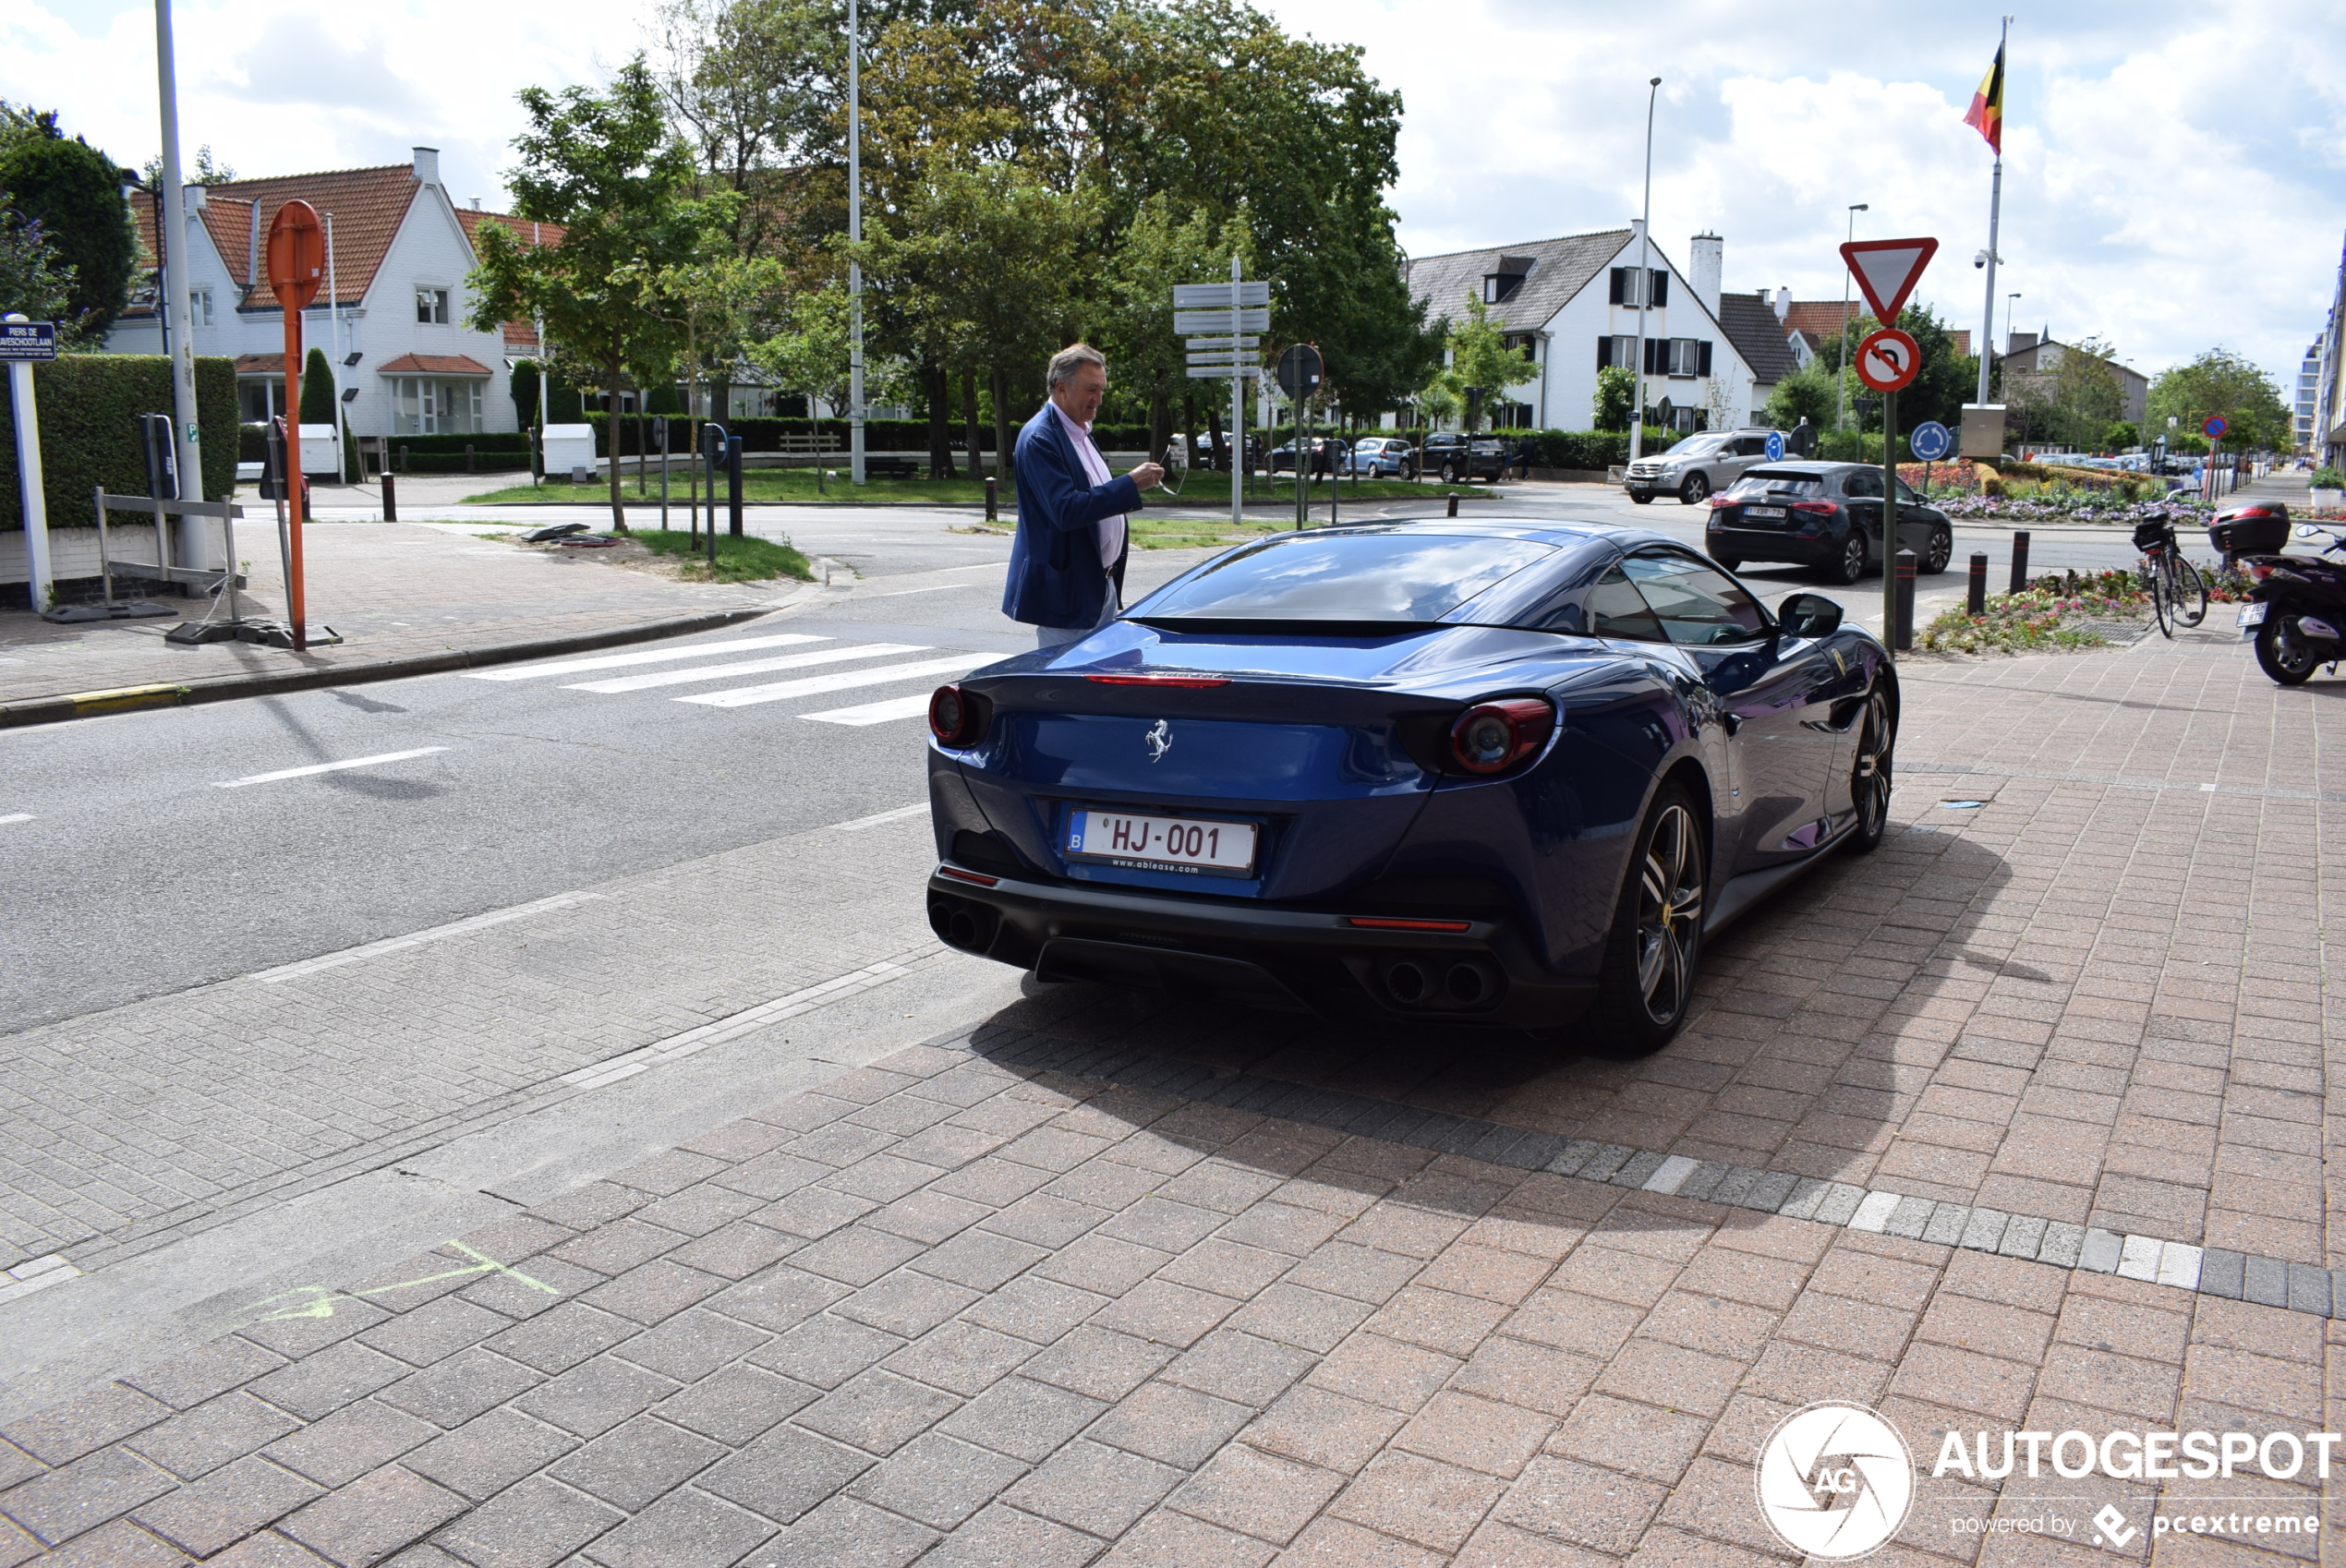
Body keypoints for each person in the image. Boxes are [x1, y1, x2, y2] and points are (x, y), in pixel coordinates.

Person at [1003, 344, 1164, 650]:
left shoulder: (1080, 432)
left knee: (1099, 683)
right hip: (1066, 594)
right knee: (1065, 687)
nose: (1098, 400)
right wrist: (1129, 484)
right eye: (1091, 390)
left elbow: (1091, 497)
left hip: (1098, 585)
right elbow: (1066, 509)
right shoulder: (1041, 437)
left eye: (1102, 390)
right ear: (1061, 388)